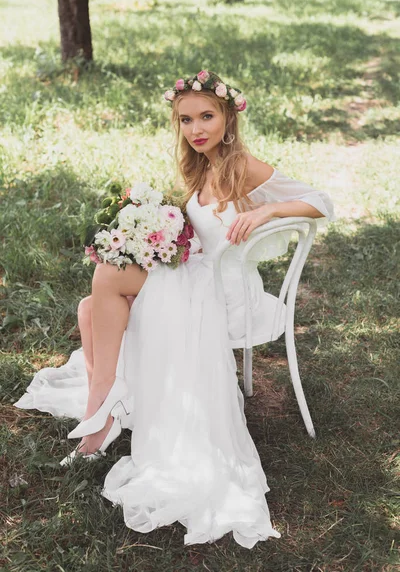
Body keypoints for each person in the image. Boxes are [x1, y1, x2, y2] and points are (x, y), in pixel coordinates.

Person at [15, 70, 335, 548]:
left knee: (103, 282)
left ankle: (99, 416)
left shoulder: (241, 163)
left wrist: (267, 210)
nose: (196, 128)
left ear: (229, 118)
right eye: (186, 119)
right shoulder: (201, 165)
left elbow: (321, 201)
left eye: (207, 116)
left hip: (217, 291)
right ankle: (101, 409)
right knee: (90, 307)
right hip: (193, 272)